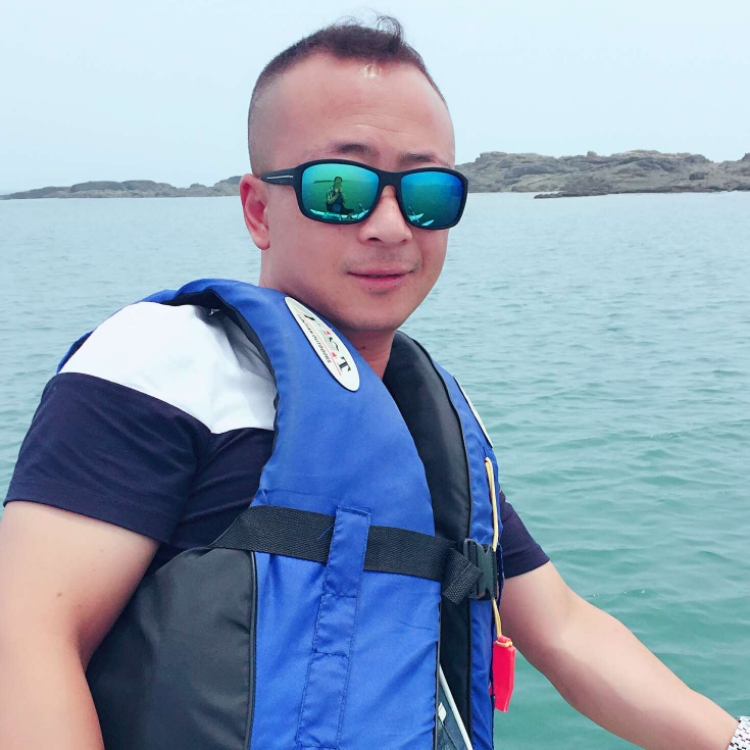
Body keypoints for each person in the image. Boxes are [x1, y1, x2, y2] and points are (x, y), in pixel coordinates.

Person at [0, 16, 746, 750]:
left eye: (427, 194)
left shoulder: (429, 423)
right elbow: (26, 637)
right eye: (339, 188)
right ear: (258, 210)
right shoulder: (168, 364)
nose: (392, 226)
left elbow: (564, 628)